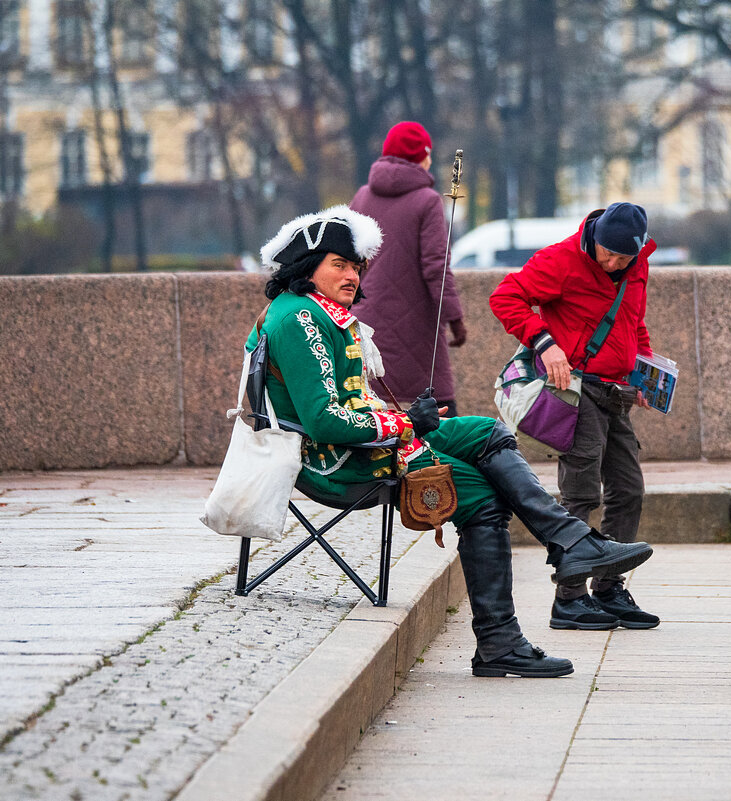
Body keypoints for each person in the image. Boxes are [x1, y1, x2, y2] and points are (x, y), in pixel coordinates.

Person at [249, 205, 653, 678]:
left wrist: (403, 419)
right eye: (339, 264)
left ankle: (569, 544)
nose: (352, 275)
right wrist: (407, 426)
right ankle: (502, 640)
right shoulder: (298, 319)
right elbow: (324, 422)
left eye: (356, 266)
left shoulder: (313, 311)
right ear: (305, 267)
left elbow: (345, 406)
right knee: (481, 495)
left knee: (487, 430)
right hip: (335, 463)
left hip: (363, 442)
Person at [490, 202, 660, 632]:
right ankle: (568, 599)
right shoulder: (561, 260)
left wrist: (644, 368)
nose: (612, 263)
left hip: (616, 391)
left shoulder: (636, 267)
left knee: (628, 488)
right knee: (582, 492)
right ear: (595, 235)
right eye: (606, 253)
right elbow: (505, 297)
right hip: (576, 388)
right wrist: (544, 342)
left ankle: (608, 587)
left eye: (622, 257)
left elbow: (632, 320)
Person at [349, 121, 466, 416]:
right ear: (421, 155)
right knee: (440, 415)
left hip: (364, 324)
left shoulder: (362, 196)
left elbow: (347, 257)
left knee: (374, 413)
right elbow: (436, 266)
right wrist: (454, 317)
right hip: (416, 328)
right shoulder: (427, 201)